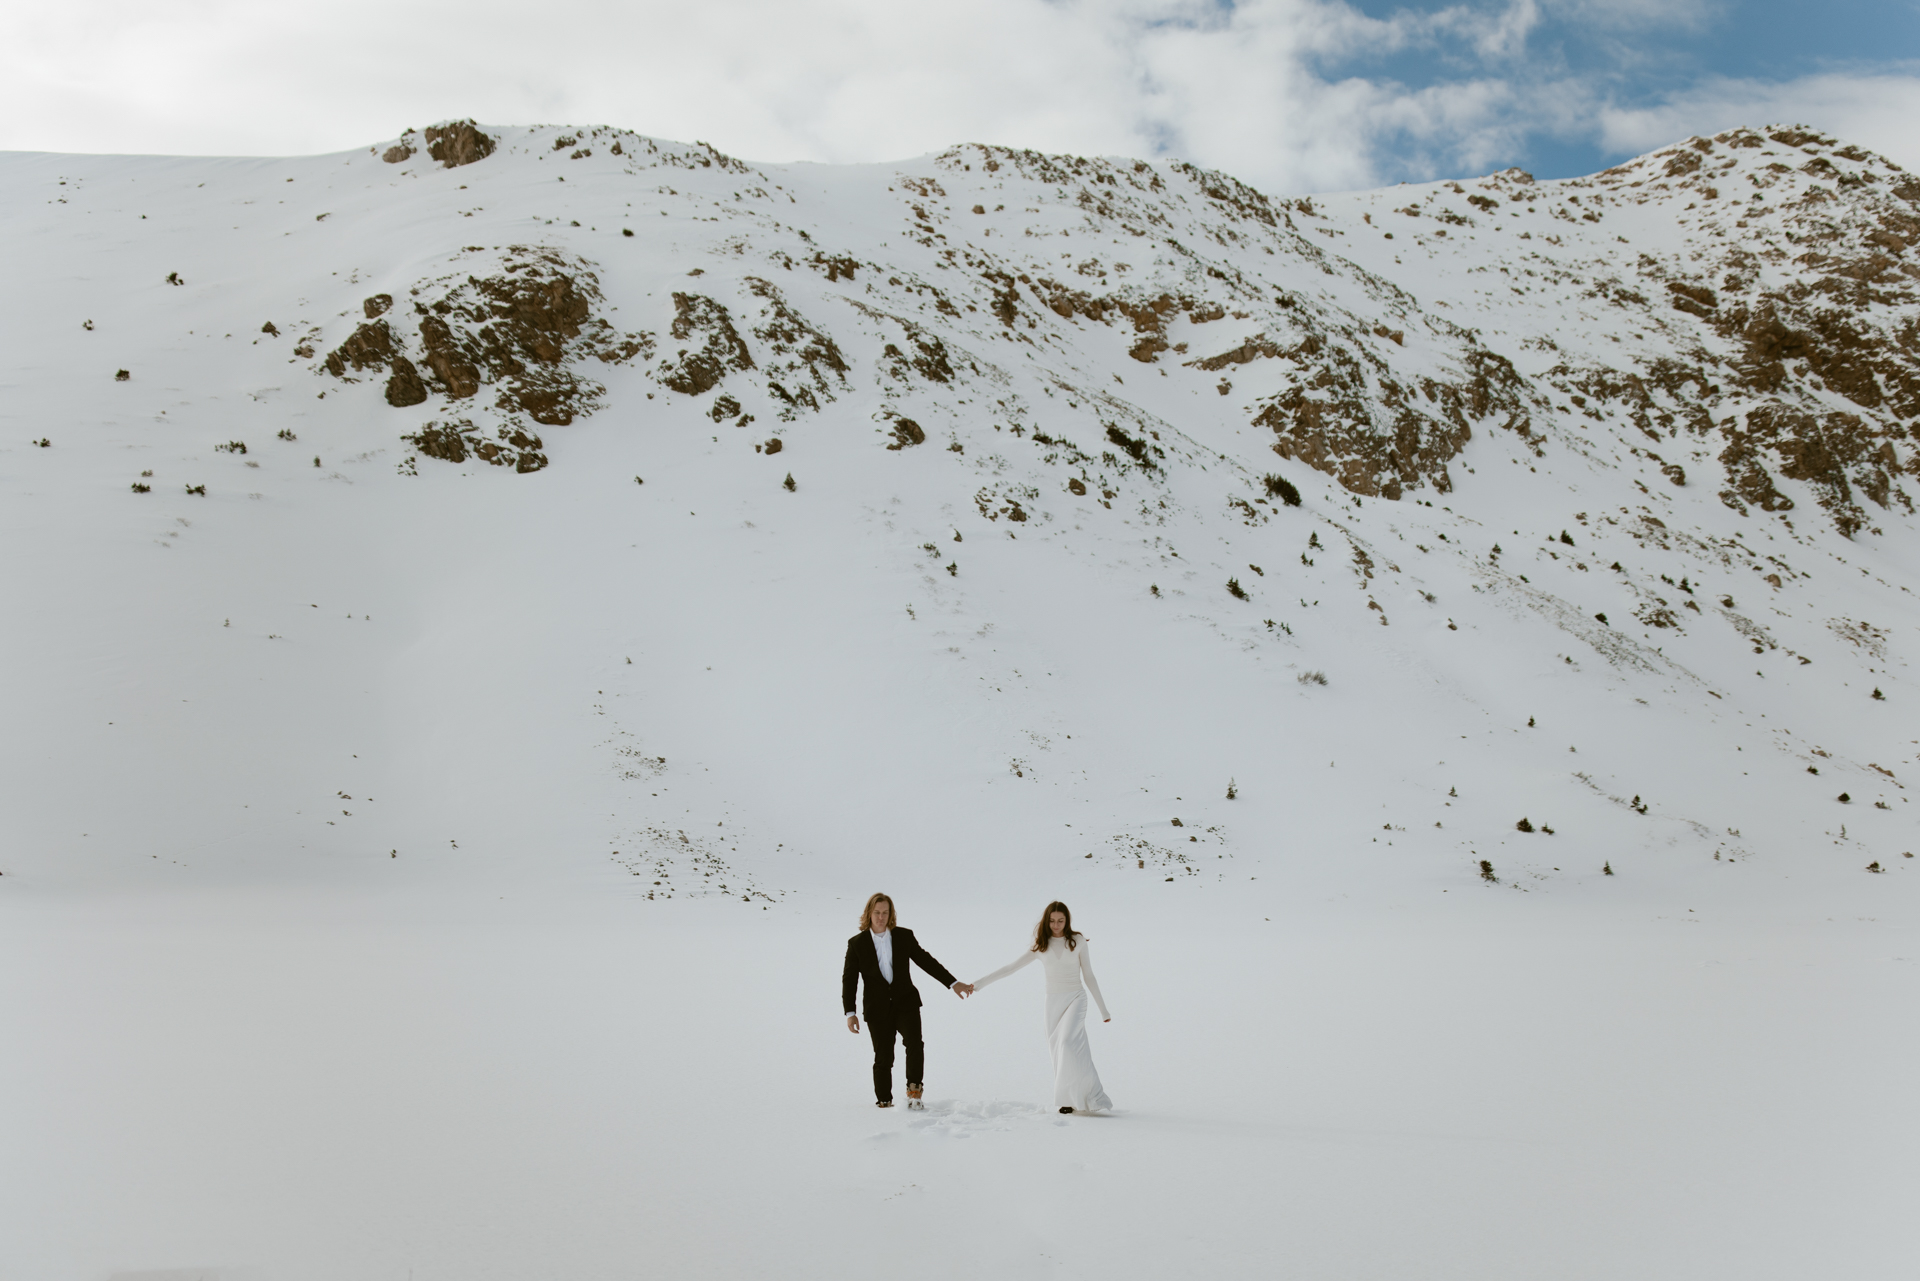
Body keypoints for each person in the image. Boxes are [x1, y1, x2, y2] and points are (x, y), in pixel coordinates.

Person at [970, 900, 1111, 1114]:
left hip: (1076, 997)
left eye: (1061, 921)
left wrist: (1103, 1010)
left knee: (1066, 1043)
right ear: (1047, 921)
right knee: (1057, 1049)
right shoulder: (1040, 944)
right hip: (1053, 1002)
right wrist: (978, 984)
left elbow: (1089, 975)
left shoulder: (1077, 940)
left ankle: (1091, 1096)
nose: (1056, 925)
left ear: (1067, 921)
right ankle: (1066, 1100)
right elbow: (1010, 968)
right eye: (1052, 921)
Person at [842, 893, 972, 1109]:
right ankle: (884, 1101)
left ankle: (914, 1092)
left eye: (885, 913)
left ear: (891, 914)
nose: (881, 917)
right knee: (883, 1056)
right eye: (877, 913)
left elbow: (925, 961)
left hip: (906, 1002)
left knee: (914, 1043)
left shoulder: (904, 936)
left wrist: (952, 983)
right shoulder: (857, 944)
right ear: (869, 914)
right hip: (877, 1008)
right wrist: (850, 1013)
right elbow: (849, 979)